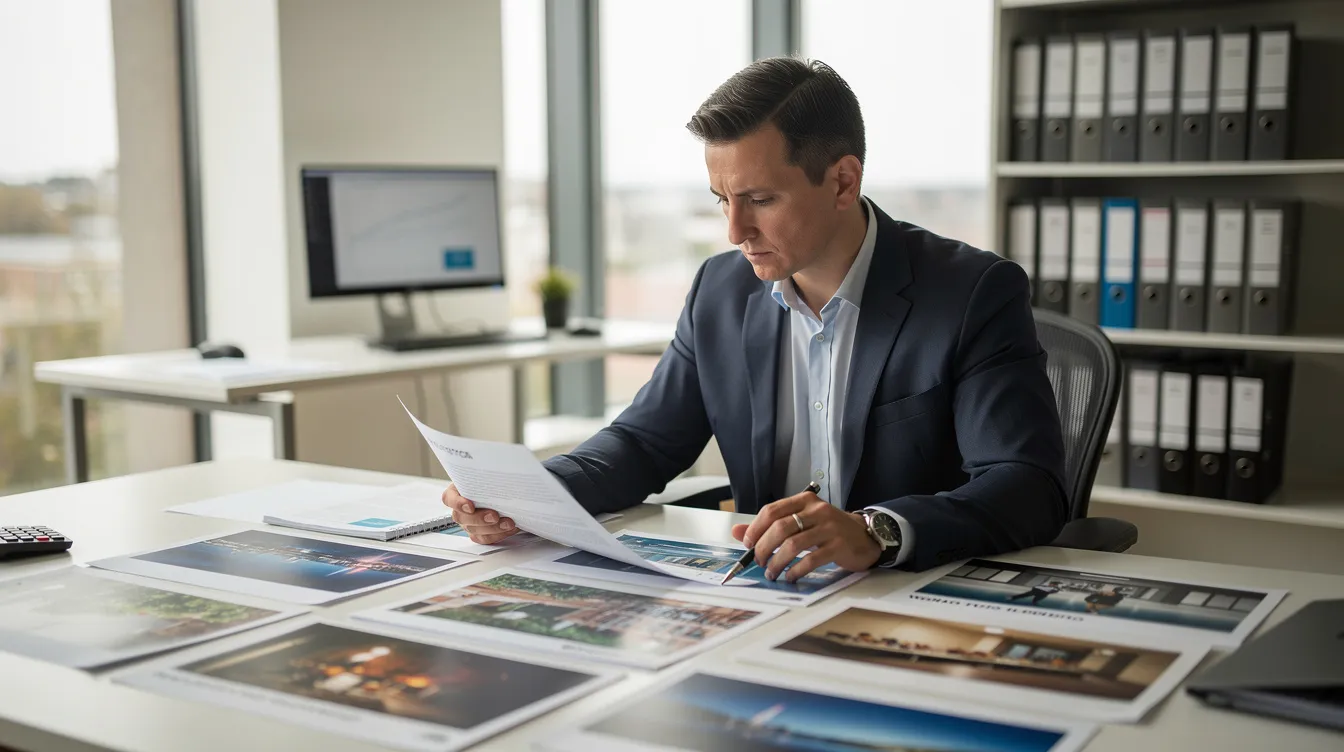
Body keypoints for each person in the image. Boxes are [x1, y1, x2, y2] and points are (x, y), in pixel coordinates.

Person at [443, 56, 1067, 578]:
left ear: (844, 181)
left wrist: (877, 530)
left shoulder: (971, 291)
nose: (736, 231)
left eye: (761, 200)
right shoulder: (720, 289)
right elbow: (643, 442)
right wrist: (521, 493)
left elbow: (1026, 485)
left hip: (910, 590)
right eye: (722, 202)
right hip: (768, 591)